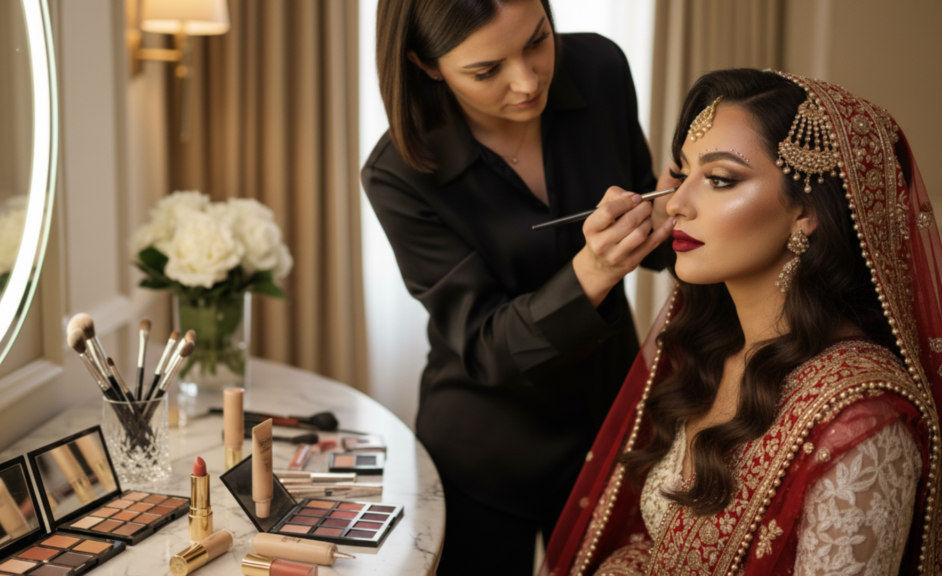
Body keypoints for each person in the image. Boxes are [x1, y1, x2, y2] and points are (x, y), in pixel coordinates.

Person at [539, 68, 942, 575]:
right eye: (681, 173)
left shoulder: (859, 422)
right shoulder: (710, 350)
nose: (677, 205)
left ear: (806, 212)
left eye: (720, 179)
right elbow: (657, 543)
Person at [362, 0, 676, 572]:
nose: (528, 82)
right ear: (427, 64)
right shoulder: (398, 174)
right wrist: (595, 270)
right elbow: (485, 342)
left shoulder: (600, 70)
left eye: (537, 40)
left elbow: (651, 223)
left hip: (612, 425)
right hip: (484, 456)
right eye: (487, 71)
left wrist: (681, 207)